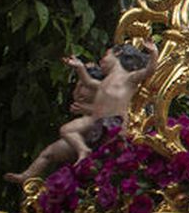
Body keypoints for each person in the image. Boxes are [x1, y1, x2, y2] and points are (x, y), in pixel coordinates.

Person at [8, 41, 157, 182]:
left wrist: (154, 53)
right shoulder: (103, 83)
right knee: (50, 150)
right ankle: (28, 175)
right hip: (93, 125)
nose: (101, 60)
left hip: (113, 128)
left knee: (103, 161)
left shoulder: (129, 79)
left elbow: (149, 70)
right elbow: (88, 81)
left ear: (117, 53)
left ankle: (85, 154)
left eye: (105, 55)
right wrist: (79, 67)